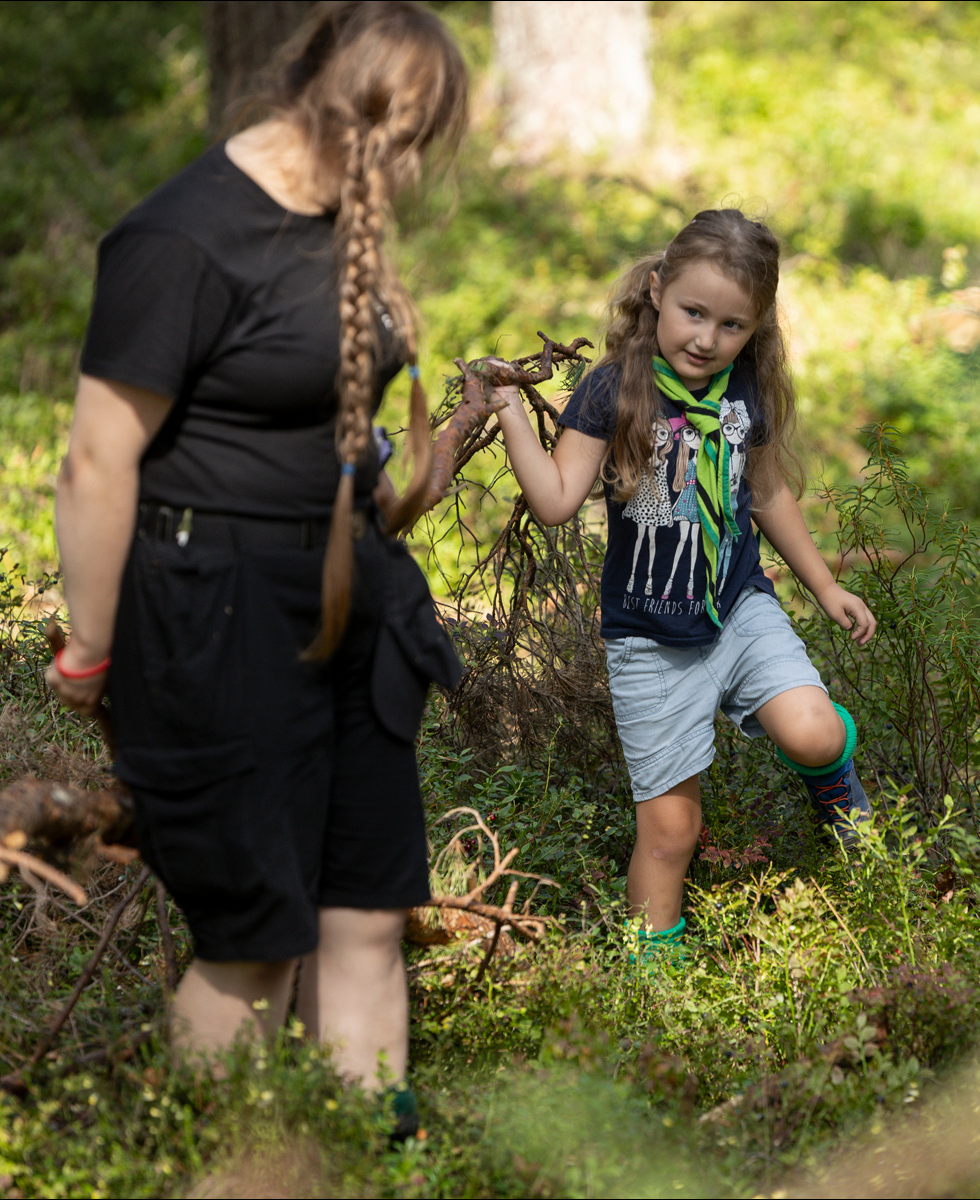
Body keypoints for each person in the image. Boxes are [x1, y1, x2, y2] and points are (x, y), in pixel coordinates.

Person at [43, 2, 481, 1110]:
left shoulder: (343, 213)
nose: (416, 171)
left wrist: (402, 481)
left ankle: (367, 1155)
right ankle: (227, 1163)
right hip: (217, 613)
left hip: (352, 604)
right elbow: (96, 460)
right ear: (363, 114)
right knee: (256, 937)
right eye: (414, 142)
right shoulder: (179, 238)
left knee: (365, 914)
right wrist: (91, 650)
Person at [495, 210, 878, 958]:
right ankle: (655, 981)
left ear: (756, 328)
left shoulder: (744, 389)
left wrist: (825, 586)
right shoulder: (613, 390)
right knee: (672, 831)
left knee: (816, 731)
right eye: (693, 312)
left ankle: (839, 798)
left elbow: (766, 492)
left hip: (738, 610)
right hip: (650, 640)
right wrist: (510, 407)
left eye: (732, 325)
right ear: (657, 291)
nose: (706, 338)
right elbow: (555, 500)